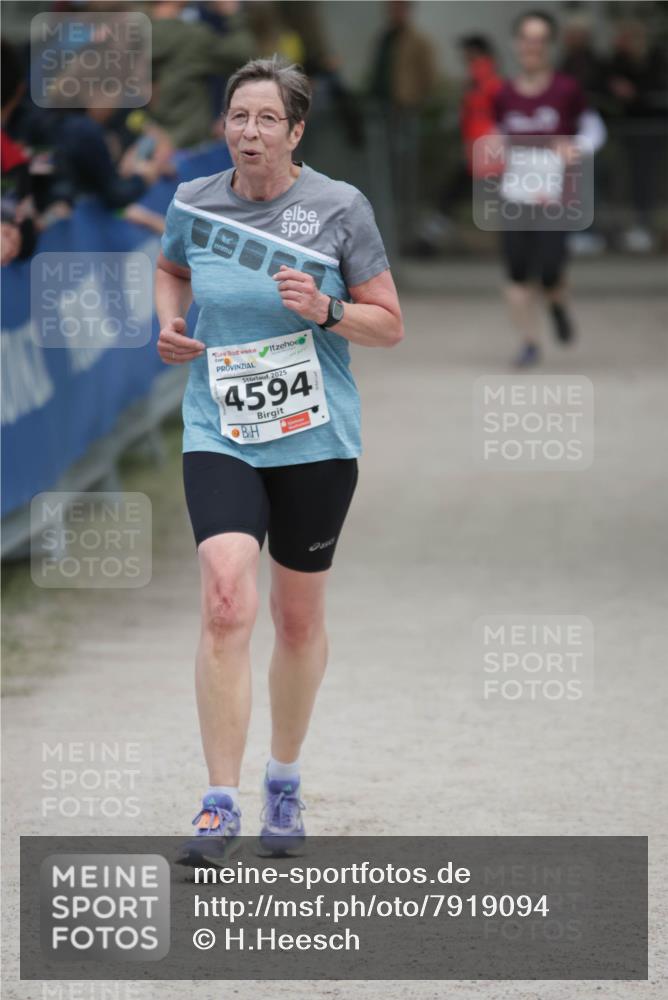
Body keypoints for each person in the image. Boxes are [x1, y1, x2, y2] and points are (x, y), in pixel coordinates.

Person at [154, 57, 403, 860]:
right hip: (219, 427)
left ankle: (284, 781)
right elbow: (170, 265)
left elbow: (389, 323)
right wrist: (169, 323)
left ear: (296, 131)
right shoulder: (194, 201)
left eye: (266, 119)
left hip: (314, 438)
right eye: (237, 117)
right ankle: (218, 803)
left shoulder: (339, 208)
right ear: (222, 126)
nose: (249, 132)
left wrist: (329, 310)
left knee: (297, 619)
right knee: (227, 598)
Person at [492, 10, 606, 367]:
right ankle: (529, 343)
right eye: (526, 38)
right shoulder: (504, 94)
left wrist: (578, 148)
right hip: (514, 197)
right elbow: (497, 137)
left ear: (550, 45)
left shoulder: (566, 90)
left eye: (540, 39)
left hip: (554, 198)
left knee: (551, 273)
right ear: (516, 44)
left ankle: (557, 304)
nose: (532, 46)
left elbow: (593, 130)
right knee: (516, 274)